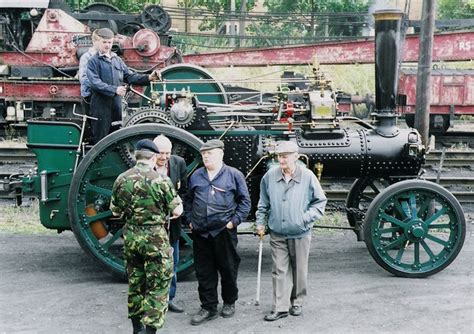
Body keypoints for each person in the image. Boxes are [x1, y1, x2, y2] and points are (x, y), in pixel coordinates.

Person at [110, 139, 183, 334]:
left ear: (136, 156)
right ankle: (150, 331)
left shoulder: (122, 179)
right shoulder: (161, 180)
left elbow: (115, 211)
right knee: (158, 285)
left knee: (136, 283)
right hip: (156, 240)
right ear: (153, 157)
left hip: (132, 238)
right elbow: (177, 210)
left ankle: (136, 328)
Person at [255, 141, 327, 322]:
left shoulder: (308, 176)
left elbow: (320, 202)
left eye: (285, 156)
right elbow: (263, 203)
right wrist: (260, 223)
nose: (282, 159)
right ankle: (280, 307)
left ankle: (297, 302)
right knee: (279, 270)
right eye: (279, 156)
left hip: (300, 232)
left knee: (299, 270)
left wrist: (303, 219)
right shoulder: (270, 176)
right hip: (277, 232)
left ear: (296, 156)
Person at [185, 139, 251, 326]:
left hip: (224, 232)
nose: (206, 156)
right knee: (204, 271)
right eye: (204, 154)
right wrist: (190, 220)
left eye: (210, 153)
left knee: (228, 268)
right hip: (200, 233)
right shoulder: (196, 175)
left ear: (221, 154)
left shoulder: (234, 175)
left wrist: (233, 222)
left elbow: (244, 202)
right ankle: (208, 307)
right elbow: (188, 200)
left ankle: (229, 302)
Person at [86, 28, 159, 144]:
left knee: (117, 138)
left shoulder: (117, 60)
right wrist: (115, 90)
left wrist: (149, 78)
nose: (107, 45)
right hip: (101, 107)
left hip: (117, 106)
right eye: (104, 42)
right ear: (97, 42)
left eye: (109, 42)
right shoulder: (93, 61)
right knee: (101, 141)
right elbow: (95, 83)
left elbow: (130, 76)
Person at [153, 135, 187, 313]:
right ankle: (153, 301)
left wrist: (180, 209)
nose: (165, 157)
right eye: (161, 153)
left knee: (172, 263)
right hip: (152, 226)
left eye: (167, 153)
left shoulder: (178, 163)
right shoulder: (145, 166)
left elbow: (186, 190)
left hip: (172, 224)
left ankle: (169, 299)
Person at [78, 29, 99, 116]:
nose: (107, 45)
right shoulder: (86, 57)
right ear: (94, 41)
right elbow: (84, 79)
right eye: (103, 42)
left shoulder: (110, 56)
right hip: (91, 97)